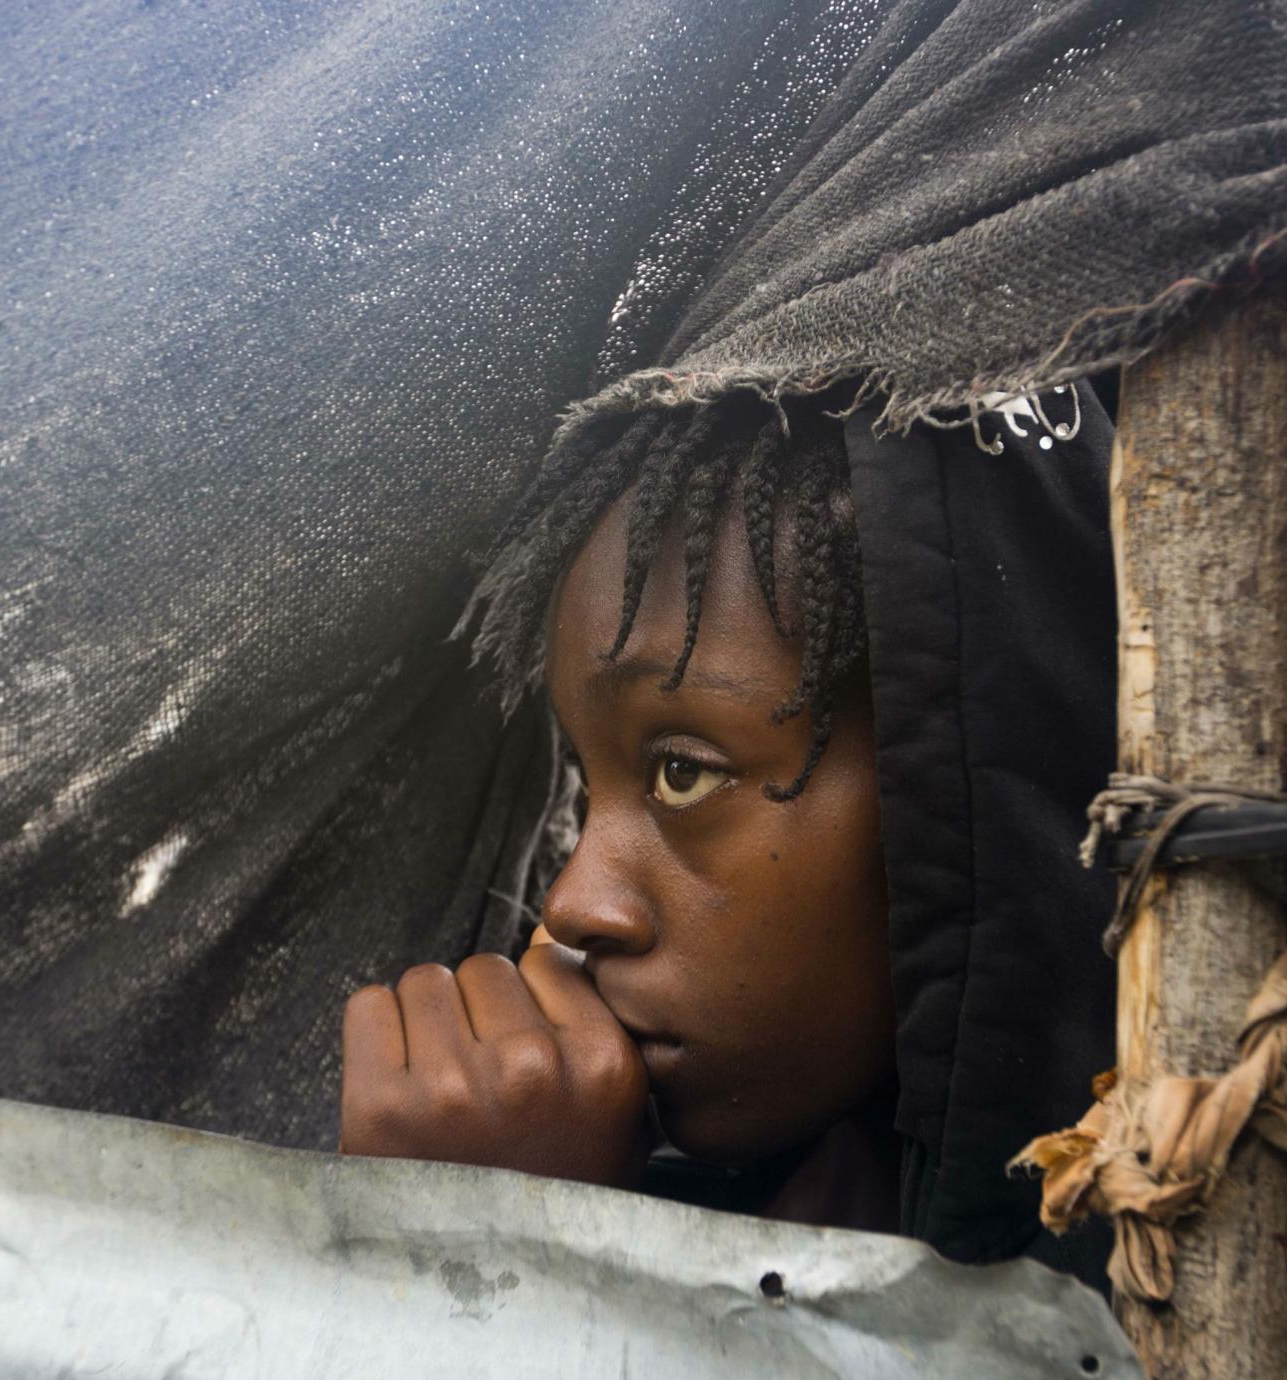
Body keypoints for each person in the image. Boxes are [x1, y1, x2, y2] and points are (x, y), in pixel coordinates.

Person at [340, 390, 1122, 1269]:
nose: (569, 904)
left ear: (953, 779)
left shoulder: (1166, 1285)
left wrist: (513, 1254)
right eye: (584, 784)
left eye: (682, 771)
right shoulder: (668, 1170)